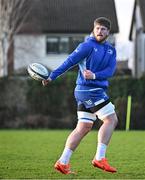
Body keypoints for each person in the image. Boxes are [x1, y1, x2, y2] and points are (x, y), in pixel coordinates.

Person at [42, 17, 118, 174]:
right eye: (97, 28)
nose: (100, 31)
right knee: (111, 119)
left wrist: (95, 76)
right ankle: (99, 158)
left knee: (83, 127)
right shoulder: (86, 46)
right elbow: (69, 61)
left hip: (92, 89)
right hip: (89, 90)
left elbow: (110, 71)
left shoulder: (111, 49)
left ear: (108, 32)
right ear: (93, 29)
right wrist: (52, 76)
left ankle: (63, 162)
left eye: (103, 29)